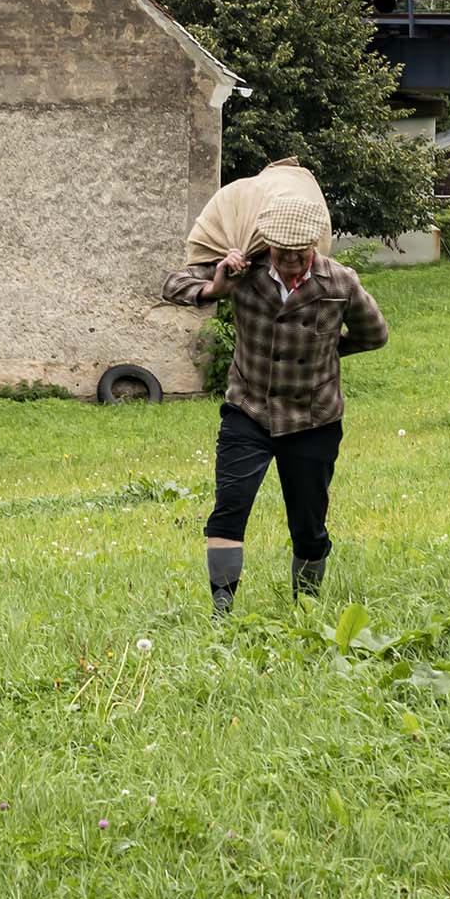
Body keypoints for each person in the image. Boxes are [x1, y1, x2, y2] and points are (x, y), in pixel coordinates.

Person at [163, 211, 389, 616]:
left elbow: (375, 334)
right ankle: (221, 610)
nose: (290, 261)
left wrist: (325, 352)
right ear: (267, 244)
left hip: (313, 418)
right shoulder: (243, 270)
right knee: (229, 509)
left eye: (299, 253)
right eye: (282, 253)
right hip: (248, 410)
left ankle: (307, 606)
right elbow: (172, 285)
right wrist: (216, 287)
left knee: (308, 525)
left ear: (313, 246)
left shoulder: (339, 281)